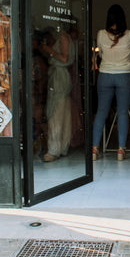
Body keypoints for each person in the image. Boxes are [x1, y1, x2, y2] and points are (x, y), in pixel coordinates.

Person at [92, 4, 130, 161]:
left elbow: (101, 54)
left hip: (105, 74)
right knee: (123, 112)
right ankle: (120, 150)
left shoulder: (100, 34)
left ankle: (94, 149)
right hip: (125, 75)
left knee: (101, 111)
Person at [40, 26, 75, 162]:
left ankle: (54, 149)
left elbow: (64, 58)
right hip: (60, 76)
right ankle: (61, 147)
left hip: (59, 78)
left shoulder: (63, 37)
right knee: (63, 112)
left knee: (56, 112)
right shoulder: (61, 37)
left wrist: (49, 50)